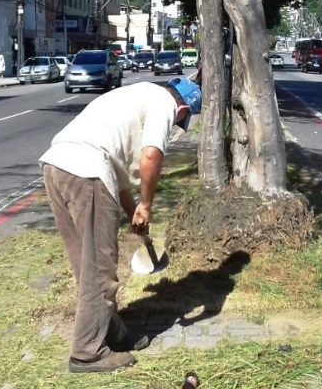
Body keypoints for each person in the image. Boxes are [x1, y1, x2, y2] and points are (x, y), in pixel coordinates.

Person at [39, 77, 202, 373]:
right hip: (86, 171)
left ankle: (113, 333)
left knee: (85, 264)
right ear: (182, 110)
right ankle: (87, 352)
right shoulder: (165, 103)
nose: (175, 126)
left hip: (57, 166)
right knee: (100, 267)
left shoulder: (136, 94)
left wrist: (133, 214)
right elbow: (151, 155)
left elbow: (120, 177)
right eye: (180, 122)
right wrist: (147, 204)